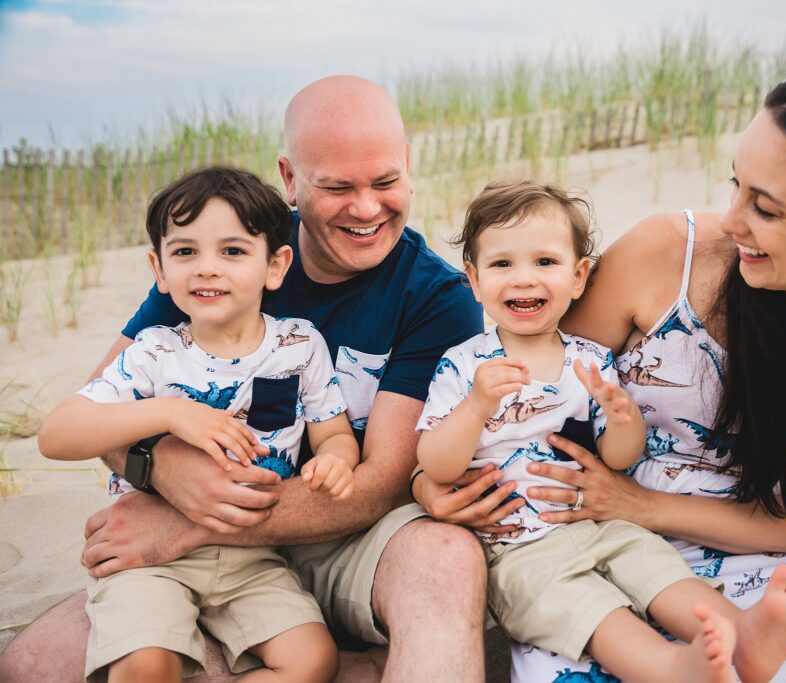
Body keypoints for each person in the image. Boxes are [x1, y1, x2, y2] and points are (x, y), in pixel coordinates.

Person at [419, 63, 786, 681]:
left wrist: (645, 507)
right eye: (735, 185)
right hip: (580, 543)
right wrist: (430, 486)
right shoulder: (666, 255)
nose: (730, 220)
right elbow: (539, 398)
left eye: (763, 207)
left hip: (754, 545)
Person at [0, 76, 488, 683]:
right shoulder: (226, 254)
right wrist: (157, 466)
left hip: (342, 540)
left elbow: (381, 482)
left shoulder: (437, 297)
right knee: (31, 664)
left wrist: (191, 520)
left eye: (385, 182)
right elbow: (95, 420)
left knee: (446, 559)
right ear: (290, 178)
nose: (367, 208)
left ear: (408, 166)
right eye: (336, 187)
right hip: (194, 559)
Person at [415, 180, 786, 683]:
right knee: (584, 606)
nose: (523, 279)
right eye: (503, 265)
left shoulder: (589, 358)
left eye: (545, 263)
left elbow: (617, 458)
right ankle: (667, 667)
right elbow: (437, 463)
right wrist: (477, 405)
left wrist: (624, 417)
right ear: (474, 281)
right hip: (517, 545)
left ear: (579, 276)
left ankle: (744, 634)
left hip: (597, 519)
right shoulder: (463, 364)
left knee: (655, 567)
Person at [39, 166, 359, 683]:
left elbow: (334, 432)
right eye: (185, 252)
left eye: (232, 251)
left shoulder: (300, 346)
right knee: (146, 666)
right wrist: (169, 412)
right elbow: (57, 435)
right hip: (146, 554)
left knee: (312, 660)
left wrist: (337, 461)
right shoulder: (154, 353)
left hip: (254, 556)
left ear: (275, 266)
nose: (207, 268)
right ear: (159, 269)